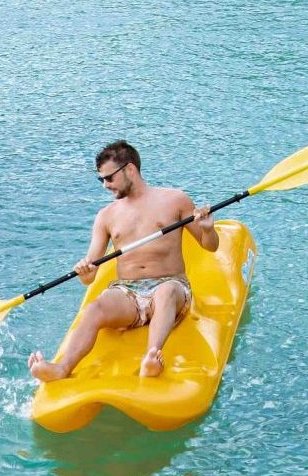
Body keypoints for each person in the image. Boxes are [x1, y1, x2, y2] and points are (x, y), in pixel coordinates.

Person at [30, 141, 214, 382]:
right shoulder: (106, 216)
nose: (105, 185)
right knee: (97, 306)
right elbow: (90, 274)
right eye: (101, 180)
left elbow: (209, 245)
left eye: (109, 178)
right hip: (128, 291)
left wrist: (208, 229)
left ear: (130, 170)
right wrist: (84, 271)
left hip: (171, 285)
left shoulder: (175, 200)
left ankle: (151, 357)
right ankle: (62, 368)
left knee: (166, 292)